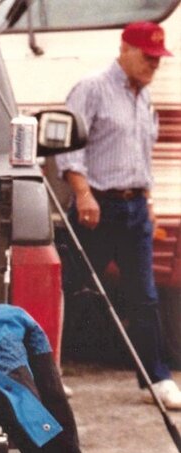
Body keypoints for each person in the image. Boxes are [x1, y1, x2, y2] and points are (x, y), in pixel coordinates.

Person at [55, 20, 181, 411]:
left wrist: (148, 203)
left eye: (158, 60)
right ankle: (49, 371)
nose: (153, 66)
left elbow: (142, 156)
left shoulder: (143, 99)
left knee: (144, 296)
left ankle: (156, 379)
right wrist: (83, 194)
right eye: (147, 57)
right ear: (125, 50)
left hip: (134, 210)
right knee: (70, 289)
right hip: (98, 207)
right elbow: (68, 146)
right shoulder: (91, 88)